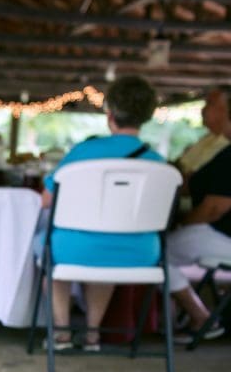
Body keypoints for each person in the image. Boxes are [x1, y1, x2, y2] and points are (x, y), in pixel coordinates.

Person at [39, 75, 164, 352]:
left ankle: (61, 332)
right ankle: (93, 334)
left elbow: (46, 200)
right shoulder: (158, 163)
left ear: (110, 114)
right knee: (105, 251)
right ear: (146, 116)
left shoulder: (84, 151)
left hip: (76, 250)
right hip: (141, 253)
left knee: (48, 249)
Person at [167, 145, 231, 344]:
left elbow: (215, 208)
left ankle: (200, 317)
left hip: (222, 235)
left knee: (153, 253)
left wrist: (181, 225)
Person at [175, 86, 231, 180]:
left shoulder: (227, 145)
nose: (203, 110)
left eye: (210, 104)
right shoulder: (209, 137)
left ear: (227, 110)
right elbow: (181, 166)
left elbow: (194, 180)